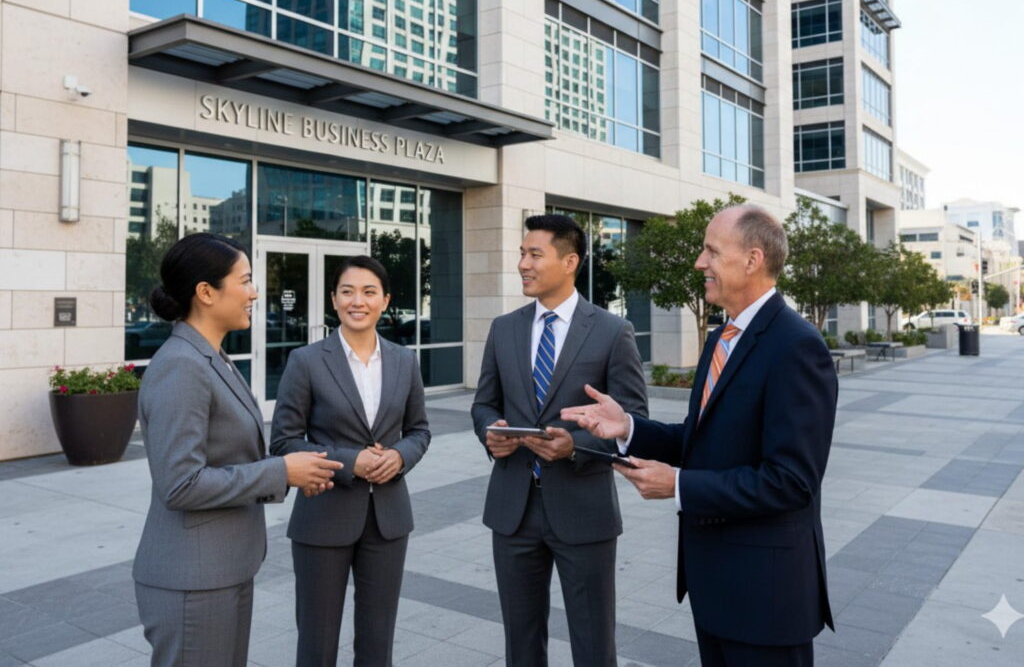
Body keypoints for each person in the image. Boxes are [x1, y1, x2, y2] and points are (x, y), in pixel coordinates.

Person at [563, 204, 837, 667]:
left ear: (752, 260)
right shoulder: (720, 338)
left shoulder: (796, 346)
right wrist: (627, 427)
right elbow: (702, 439)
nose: (699, 263)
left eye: (711, 251)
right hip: (717, 589)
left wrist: (679, 486)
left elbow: (791, 481)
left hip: (765, 599)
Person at [133, 233, 342, 667]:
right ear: (206, 293)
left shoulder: (212, 357)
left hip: (222, 570)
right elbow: (180, 484)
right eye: (245, 280)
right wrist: (281, 472)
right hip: (192, 580)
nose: (255, 291)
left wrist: (290, 470)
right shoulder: (181, 366)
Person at [470, 213, 648, 666]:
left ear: (569, 261)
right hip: (513, 511)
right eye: (521, 254)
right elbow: (484, 404)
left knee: (593, 645)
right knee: (522, 643)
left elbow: (634, 423)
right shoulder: (504, 328)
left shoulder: (612, 332)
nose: (523, 264)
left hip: (583, 512)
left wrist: (575, 446)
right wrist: (491, 434)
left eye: (534, 254)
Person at [270, 255, 430, 667]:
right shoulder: (305, 361)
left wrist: (399, 456)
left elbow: (420, 431)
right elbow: (284, 441)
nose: (357, 301)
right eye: (347, 292)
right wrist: (349, 462)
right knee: (317, 642)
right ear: (334, 300)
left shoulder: (404, 360)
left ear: (385, 300)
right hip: (323, 517)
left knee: (378, 642)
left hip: (388, 519)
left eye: (368, 292)